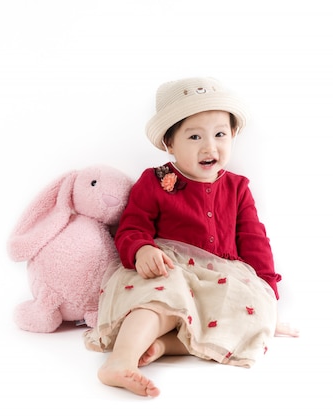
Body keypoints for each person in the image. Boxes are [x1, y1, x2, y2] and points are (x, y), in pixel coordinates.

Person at [84, 77, 298, 397]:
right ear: (170, 144)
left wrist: (266, 295)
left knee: (244, 311)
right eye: (195, 136)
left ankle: (162, 346)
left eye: (220, 134)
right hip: (170, 267)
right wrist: (142, 250)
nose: (209, 147)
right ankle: (121, 360)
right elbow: (132, 226)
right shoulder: (155, 181)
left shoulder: (238, 188)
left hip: (220, 277)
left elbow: (254, 239)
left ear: (233, 135)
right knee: (158, 301)